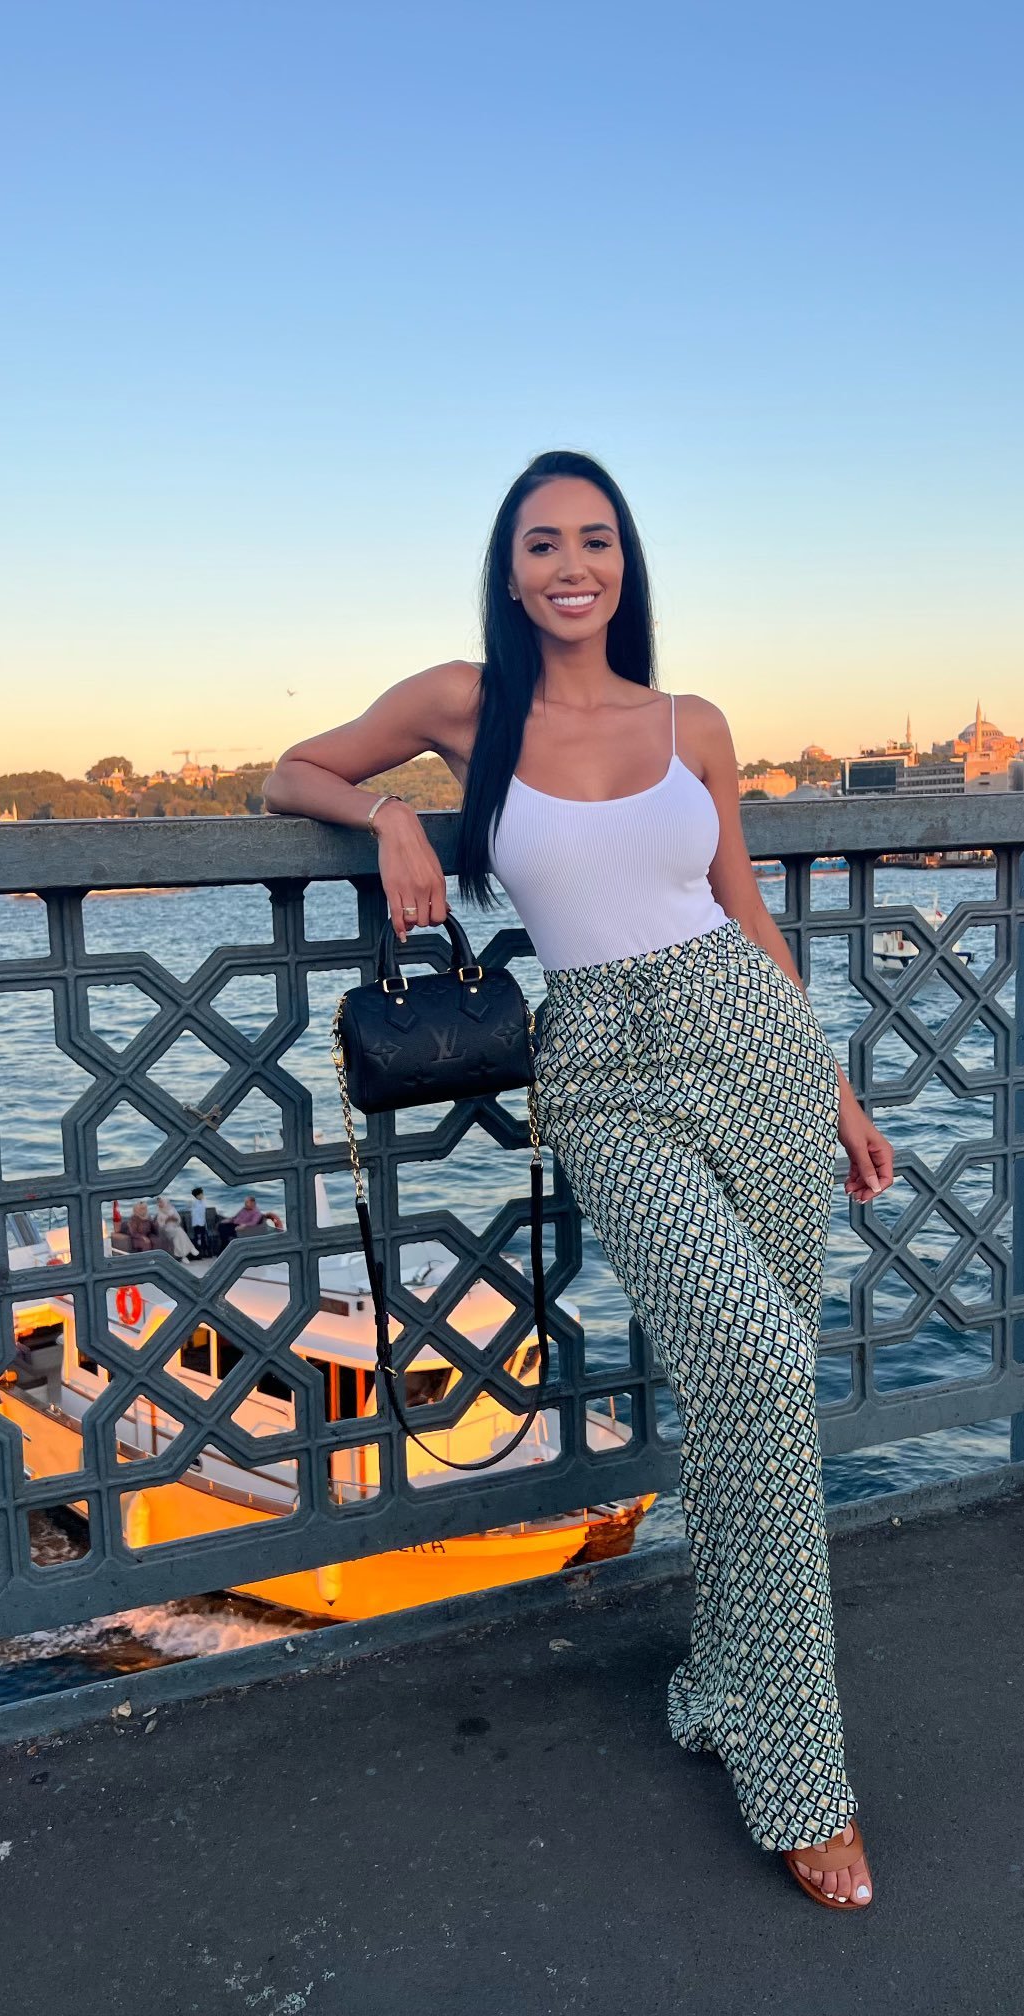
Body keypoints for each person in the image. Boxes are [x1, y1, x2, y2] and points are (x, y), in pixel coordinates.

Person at [260, 449, 893, 1911]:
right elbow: (292, 769)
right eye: (543, 542)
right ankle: (802, 1778)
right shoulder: (461, 703)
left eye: (596, 540)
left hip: (750, 1040)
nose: (572, 565)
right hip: (600, 1063)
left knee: (751, 1397)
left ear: (625, 563)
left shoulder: (693, 722)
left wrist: (837, 1088)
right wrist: (392, 816)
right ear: (510, 566)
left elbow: (746, 908)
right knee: (752, 1360)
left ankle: (724, 1682)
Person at [154, 1195, 196, 1261]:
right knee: (179, 1231)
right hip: (166, 1230)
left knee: (178, 1235)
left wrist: (174, 1219)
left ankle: (183, 1256)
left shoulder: (172, 1209)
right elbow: (160, 1225)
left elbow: (179, 1220)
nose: (160, 1204)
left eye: (161, 1202)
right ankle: (191, 1248)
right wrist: (166, 1221)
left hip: (174, 1227)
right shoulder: (159, 1212)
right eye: (158, 1202)